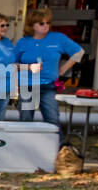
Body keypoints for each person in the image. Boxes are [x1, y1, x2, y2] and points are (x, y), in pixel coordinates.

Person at [14, 8, 83, 144]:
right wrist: (28, 67)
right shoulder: (23, 42)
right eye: (41, 23)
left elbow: (79, 52)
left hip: (48, 86)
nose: (45, 26)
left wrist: (63, 69)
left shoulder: (58, 38)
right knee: (26, 121)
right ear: (31, 25)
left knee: (52, 120)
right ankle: (24, 152)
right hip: (28, 86)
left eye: (48, 23)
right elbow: (11, 64)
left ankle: (59, 154)